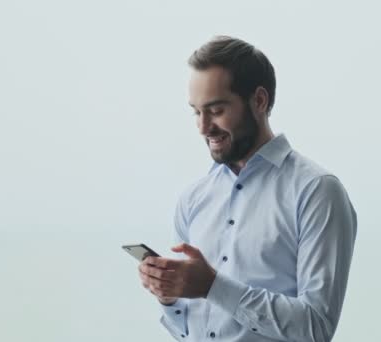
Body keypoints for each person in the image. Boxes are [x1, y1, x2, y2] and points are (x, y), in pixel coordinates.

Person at [137, 35, 357, 342]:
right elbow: (187, 331)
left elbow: (316, 328)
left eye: (215, 110)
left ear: (259, 101)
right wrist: (170, 297)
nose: (203, 127)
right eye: (196, 111)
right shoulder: (193, 198)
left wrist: (214, 287)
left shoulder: (316, 191)